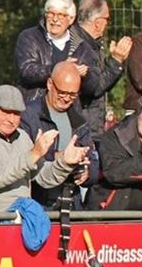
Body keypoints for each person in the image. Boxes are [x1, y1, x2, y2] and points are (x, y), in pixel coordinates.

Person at [0, 85, 89, 212]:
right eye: (5, 112)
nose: (11, 119)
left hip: (22, 217)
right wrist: (33, 154)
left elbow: (43, 177)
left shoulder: (22, 137)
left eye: (16, 113)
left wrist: (65, 163)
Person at [19, 62, 99, 209]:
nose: (67, 99)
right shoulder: (28, 116)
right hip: (38, 201)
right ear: (50, 84)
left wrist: (87, 173)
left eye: (73, 94)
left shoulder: (79, 119)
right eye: (62, 92)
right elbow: (24, 159)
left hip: (71, 201)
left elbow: (93, 158)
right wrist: (60, 158)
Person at [14, 0, 97, 101]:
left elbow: (93, 87)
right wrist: (60, 69)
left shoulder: (82, 47)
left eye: (61, 15)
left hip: (68, 109)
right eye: (51, 14)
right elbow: (26, 71)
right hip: (35, 106)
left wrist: (84, 76)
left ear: (71, 19)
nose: (55, 19)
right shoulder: (29, 37)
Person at [72, 0, 132, 140]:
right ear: (98, 22)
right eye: (107, 19)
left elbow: (99, 80)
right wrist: (116, 61)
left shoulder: (92, 44)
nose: (107, 24)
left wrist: (110, 62)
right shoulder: (80, 46)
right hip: (83, 127)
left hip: (88, 124)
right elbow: (95, 87)